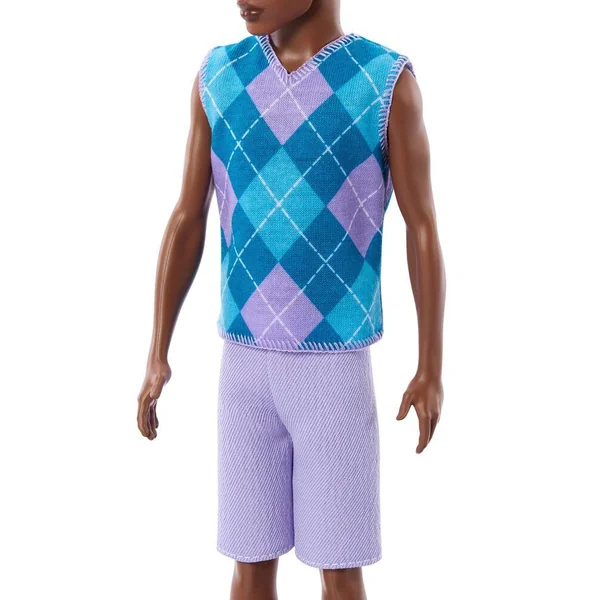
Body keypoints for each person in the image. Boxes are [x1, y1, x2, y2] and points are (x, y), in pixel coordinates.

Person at [137, 1, 446, 598]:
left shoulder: (382, 84)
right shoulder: (219, 78)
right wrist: (157, 351)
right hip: (244, 368)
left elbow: (423, 226)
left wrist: (430, 366)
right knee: (249, 564)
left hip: (333, 371)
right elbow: (187, 218)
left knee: (340, 569)